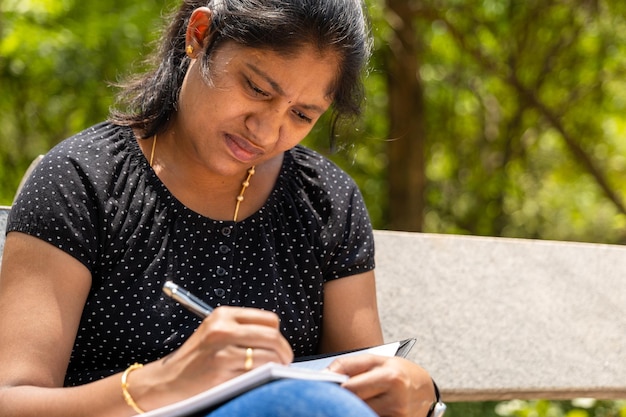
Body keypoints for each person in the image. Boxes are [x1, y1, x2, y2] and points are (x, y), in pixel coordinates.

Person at [0, 0, 438, 416]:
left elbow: (363, 387)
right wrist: (165, 380)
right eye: (257, 88)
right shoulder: (81, 181)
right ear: (200, 35)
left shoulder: (324, 200)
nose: (266, 132)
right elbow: (11, 400)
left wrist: (419, 393)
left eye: (302, 115)